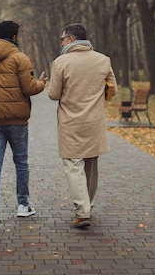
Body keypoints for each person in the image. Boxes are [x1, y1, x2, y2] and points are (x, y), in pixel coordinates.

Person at [0, 20, 47, 224]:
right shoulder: (20, 59)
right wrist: (42, 83)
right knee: (21, 162)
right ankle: (23, 205)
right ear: (14, 37)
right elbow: (30, 88)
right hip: (18, 121)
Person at [48, 23, 117, 228]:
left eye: (62, 39)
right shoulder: (103, 60)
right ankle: (89, 204)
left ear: (70, 39)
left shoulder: (60, 62)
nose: (61, 43)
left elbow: (53, 94)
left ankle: (82, 210)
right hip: (94, 121)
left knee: (73, 164)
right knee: (91, 165)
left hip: (71, 122)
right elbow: (113, 89)